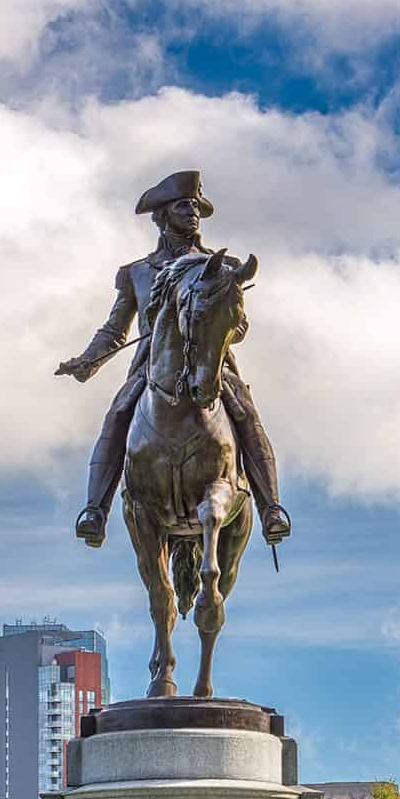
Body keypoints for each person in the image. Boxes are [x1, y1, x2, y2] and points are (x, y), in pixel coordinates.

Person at [56, 170, 291, 548]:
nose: (193, 212)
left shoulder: (219, 268)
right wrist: (88, 361)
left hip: (210, 362)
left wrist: (218, 327)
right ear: (162, 215)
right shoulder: (136, 273)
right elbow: (115, 329)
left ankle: (271, 509)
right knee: (118, 416)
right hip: (153, 366)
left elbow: (240, 326)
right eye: (184, 205)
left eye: (196, 206)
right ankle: (94, 511)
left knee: (246, 415)